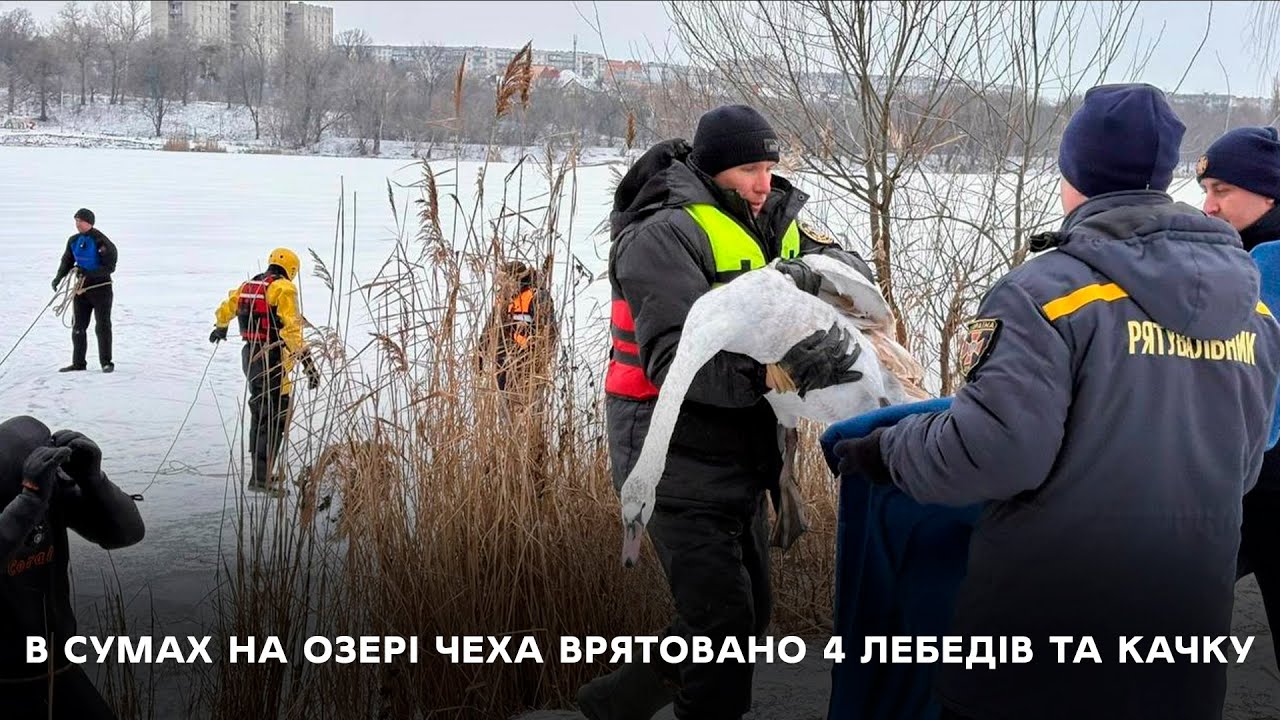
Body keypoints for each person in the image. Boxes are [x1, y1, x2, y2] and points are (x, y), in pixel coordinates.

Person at [833, 83, 1280, 719]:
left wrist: (889, 450)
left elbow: (990, 454)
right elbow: (1244, 467)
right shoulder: (1254, 310)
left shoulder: (1046, 293)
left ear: (1074, 173)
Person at [579, 104, 872, 720]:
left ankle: (612, 705)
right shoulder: (660, 235)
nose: (765, 182)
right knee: (722, 622)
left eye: (770, 166)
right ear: (713, 171)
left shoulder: (776, 221)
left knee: (742, 618)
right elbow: (671, 360)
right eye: (749, 170)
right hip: (666, 454)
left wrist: (818, 284)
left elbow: (848, 268)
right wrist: (777, 372)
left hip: (744, 449)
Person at [1197, 125, 1280, 672]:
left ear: (1269, 193)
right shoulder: (1244, 257)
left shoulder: (1266, 266)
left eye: (1222, 190)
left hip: (1261, 481)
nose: (1207, 206)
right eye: (1204, 188)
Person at [0, 415, 146, 719]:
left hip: (56, 666)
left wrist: (94, 481)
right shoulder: (30, 494)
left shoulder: (46, 492)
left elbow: (126, 533)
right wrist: (26, 504)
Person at [209, 248, 321, 495]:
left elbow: (227, 306)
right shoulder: (283, 289)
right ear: (291, 269)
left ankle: (262, 472)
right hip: (273, 358)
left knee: (259, 411)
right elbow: (292, 330)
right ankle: (260, 479)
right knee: (274, 417)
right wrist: (308, 364)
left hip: (250, 356)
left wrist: (220, 327)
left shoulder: (249, 286)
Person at [51, 208, 117, 374]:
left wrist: (89, 273)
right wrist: (59, 277)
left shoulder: (101, 241)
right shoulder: (73, 240)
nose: (77, 224)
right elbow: (67, 260)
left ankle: (106, 362)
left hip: (101, 288)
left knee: (102, 326)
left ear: (89, 222)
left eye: (80, 221)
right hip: (81, 289)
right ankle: (78, 363)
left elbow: (109, 267)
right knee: (78, 326)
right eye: (76, 221)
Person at [478, 260, 558, 393]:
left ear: (516, 280)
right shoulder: (503, 300)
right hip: (503, 367)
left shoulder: (537, 297)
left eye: (505, 281)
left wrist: (538, 362)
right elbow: (489, 328)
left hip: (529, 369)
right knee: (505, 407)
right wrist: (480, 355)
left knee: (528, 409)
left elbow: (549, 335)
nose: (501, 285)